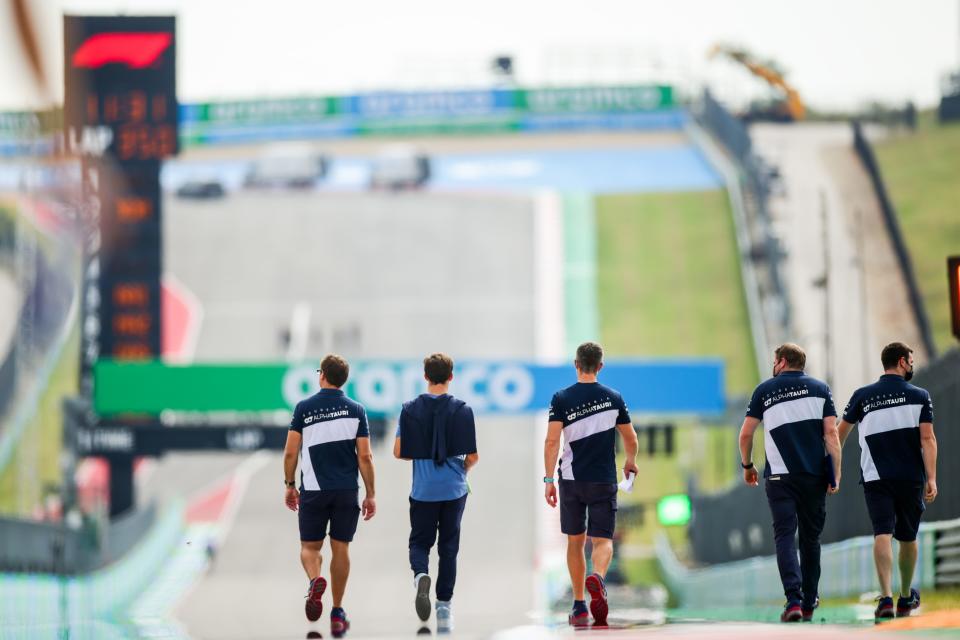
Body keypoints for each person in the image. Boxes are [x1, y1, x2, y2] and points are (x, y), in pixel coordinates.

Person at [738, 343, 841, 623]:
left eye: (774, 360)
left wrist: (748, 466)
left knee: (785, 536)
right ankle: (809, 601)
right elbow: (831, 434)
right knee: (811, 538)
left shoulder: (765, 390)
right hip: (813, 477)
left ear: (782, 362)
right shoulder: (821, 389)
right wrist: (836, 475)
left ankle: (793, 600)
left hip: (780, 477)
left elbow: (746, 434)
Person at [838, 342, 937, 621]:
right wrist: (931, 477)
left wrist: (834, 466)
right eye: (911, 361)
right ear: (903, 361)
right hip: (910, 477)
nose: (912, 365)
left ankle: (884, 597)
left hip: (875, 476)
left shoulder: (862, 396)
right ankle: (905, 596)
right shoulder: (920, 396)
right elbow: (927, 439)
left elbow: (839, 434)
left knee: (882, 532)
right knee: (907, 537)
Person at [543, 341, 638, 626]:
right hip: (603, 479)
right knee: (603, 540)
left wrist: (549, 480)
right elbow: (631, 438)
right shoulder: (614, 398)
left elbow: (551, 441)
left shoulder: (561, 398)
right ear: (600, 366)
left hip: (571, 480)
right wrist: (630, 461)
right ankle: (596, 576)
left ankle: (579, 605)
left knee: (575, 541)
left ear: (576, 364)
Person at [284, 354, 377, 634]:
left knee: (310, 549)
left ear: (322, 375)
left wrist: (289, 485)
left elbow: (291, 452)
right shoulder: (357, 410)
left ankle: (314, 581)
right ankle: (337, 612)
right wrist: (370, 494)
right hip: (346, 491)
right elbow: (366, 456)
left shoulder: (304, 408)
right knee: (341, 549)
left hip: (313, 490)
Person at [394, 353, 479, 632]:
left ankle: (420, 576)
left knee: (419, 543)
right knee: (449, 548)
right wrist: (461, 471)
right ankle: (444, 604)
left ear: (425, 376)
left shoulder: (409, 409)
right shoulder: (463, 410)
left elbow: (399, 452)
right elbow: (473, 456)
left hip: (423, 490)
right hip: (454, 489)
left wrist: (422, 455)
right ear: (451, 377)